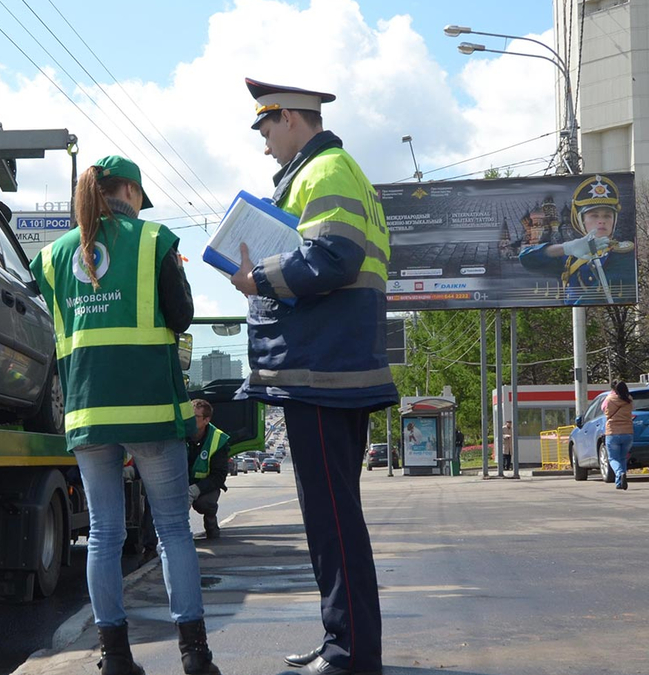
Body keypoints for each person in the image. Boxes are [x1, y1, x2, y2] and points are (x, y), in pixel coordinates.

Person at [231, 78, 396, 675]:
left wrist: (258, 279)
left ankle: (350, 654)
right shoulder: (338, 171)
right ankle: (343, 642)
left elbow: (331, 259)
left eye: (267, 129)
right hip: (334, 366)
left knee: (333, 523)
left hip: (324, 371)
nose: (265, 144)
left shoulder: (323, 172)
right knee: (333, 519)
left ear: (291, 120)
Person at [31, 155, 220, 675]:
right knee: (173, 531)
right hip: (150, 408)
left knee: (104, 535)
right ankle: (195, 655)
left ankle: (114, 658)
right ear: (131, 192)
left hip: (88, 411)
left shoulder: (52, 257)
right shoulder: (155, 241)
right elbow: (181, 317)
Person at [518, 175, 635, 305]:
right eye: (594, 216)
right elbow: (526, 258)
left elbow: (599, 295)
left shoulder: (626, 255)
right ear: (581, 220)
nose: (601, 221)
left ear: (614, 220)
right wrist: (567, 248)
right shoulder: (571, 257)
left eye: (607, 216)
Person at [187, 399, 230, 540]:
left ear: (206, 420)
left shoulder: (218, 439)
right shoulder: (180, 433)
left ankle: (211, 525)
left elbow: (219, 476)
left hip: (205, 486)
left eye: (195, 417)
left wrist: (195, 490)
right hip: (181, 483)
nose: (190, 420)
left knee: (204, 503)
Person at [602, 380, 634, 490]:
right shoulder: (629, 399)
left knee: (612, 458)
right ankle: (619, 483)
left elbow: (603, 409)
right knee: (623, 458)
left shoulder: (609, 399)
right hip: (627, 432)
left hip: (612, 432)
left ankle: (620, 473)